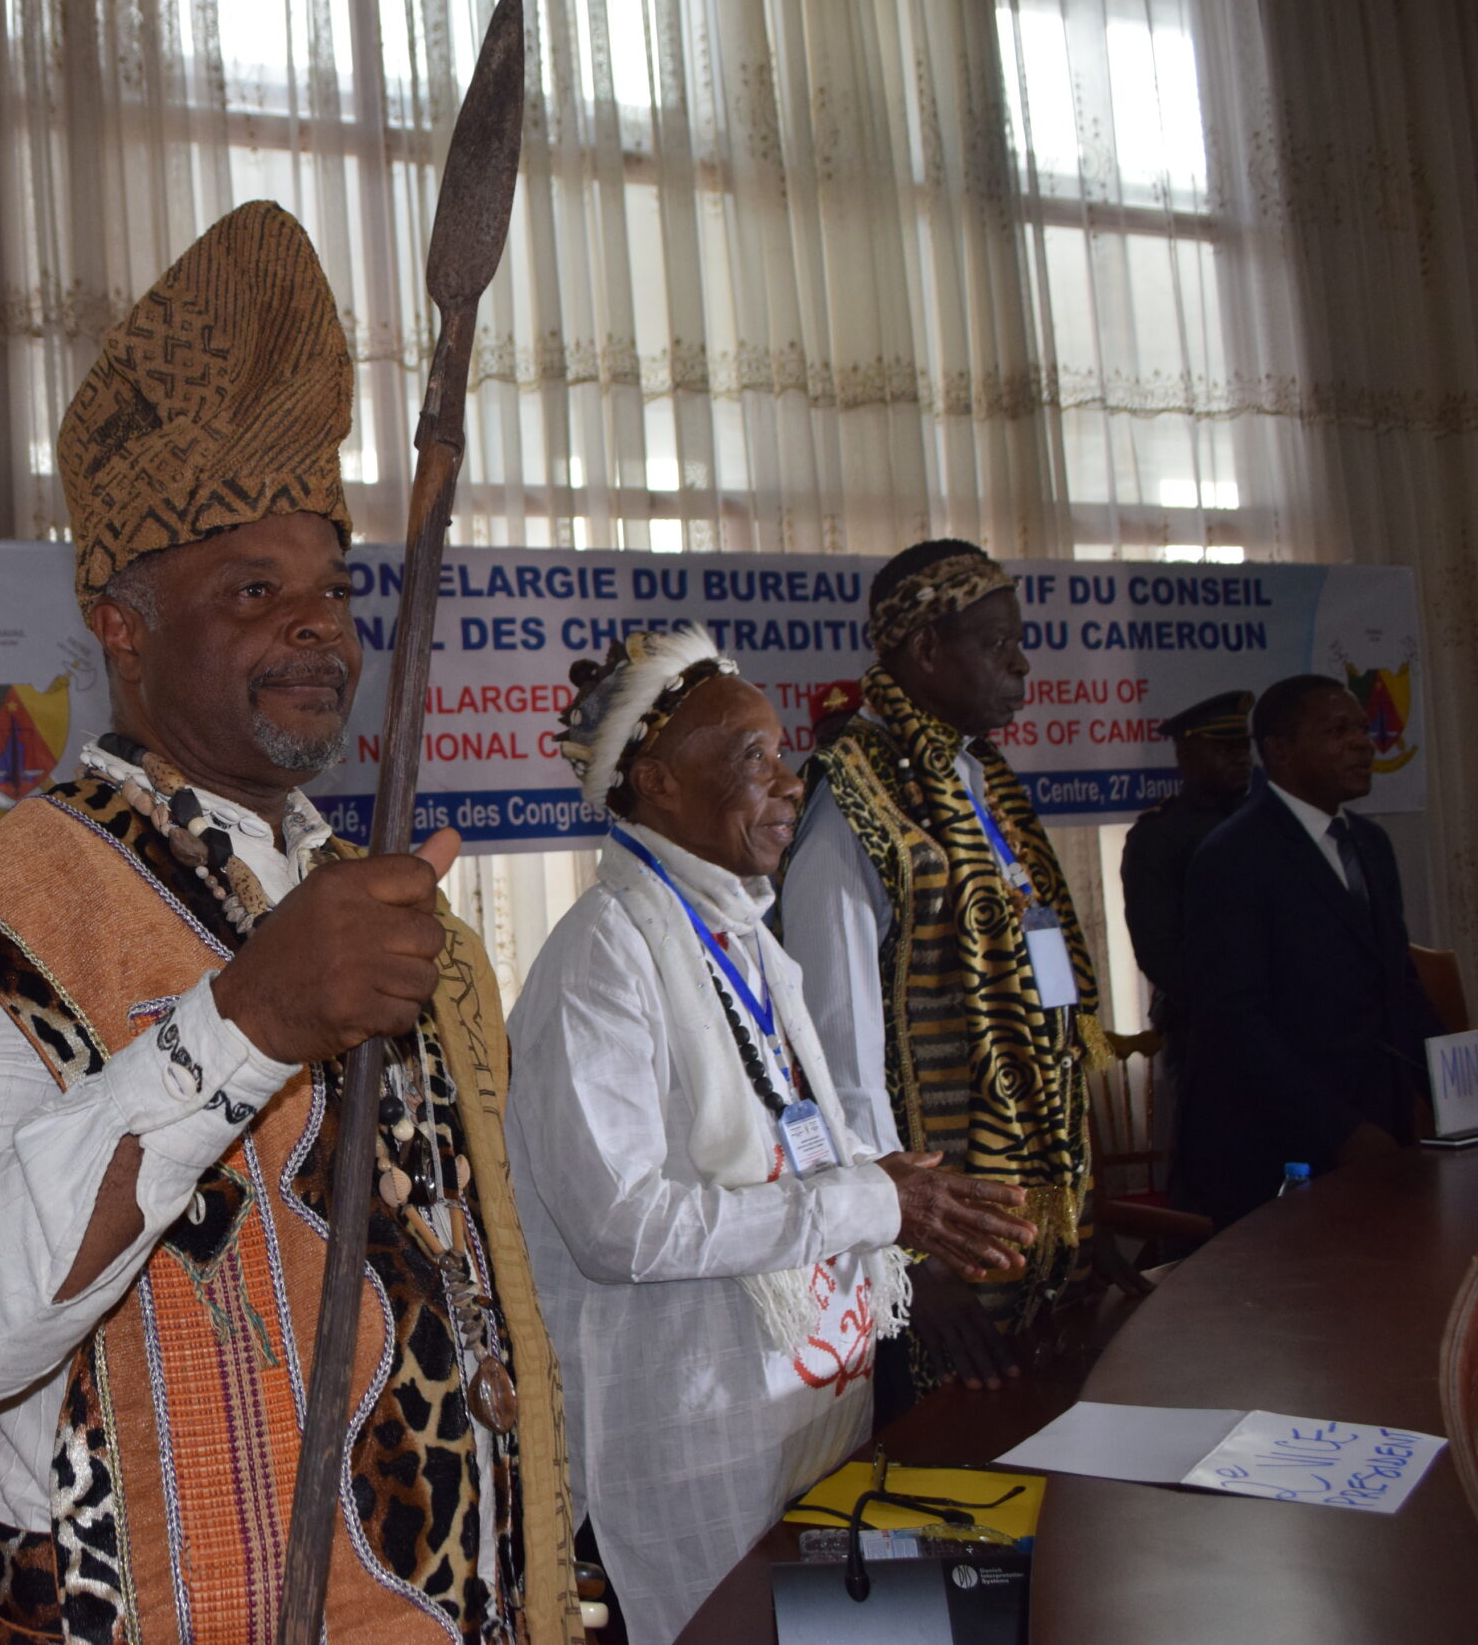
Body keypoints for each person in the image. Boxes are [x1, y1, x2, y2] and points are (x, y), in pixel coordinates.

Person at [0, 203, 580, 1645]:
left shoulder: (365, 897)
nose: (317, 627)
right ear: (117, 623)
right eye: (252, 590)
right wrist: (244, 1027)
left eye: (330, 589)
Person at [508, 627, 1037, 1645]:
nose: (789, 783)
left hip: (807, 1404)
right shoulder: (601, 957)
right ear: (656, 782)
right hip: (696, 1438)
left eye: (781, 753)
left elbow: (806, 1140)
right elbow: (619, 1229)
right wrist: (875, 1200)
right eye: (753, 759)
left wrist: (898, 1220)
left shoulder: (748, 931)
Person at [780, 540, 1112, 1401]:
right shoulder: (852, 801)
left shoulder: (979, 782)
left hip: (1032, 1228)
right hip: (941, 1260)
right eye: (998, 643)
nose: (1021, 662)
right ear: (926, 650)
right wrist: (908, 1255)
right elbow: (840, 1055)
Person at [1171, 674, 1441, 1227]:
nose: (1365, 744)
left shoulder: (1370, 844)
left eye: (1363, 729)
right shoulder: (1234, 856)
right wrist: (1339, 1131)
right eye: (1338, 730)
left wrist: (1456, 1090)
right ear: (1281, 751)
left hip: (1380, 1135)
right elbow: (1234, 1019)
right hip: (1275, 1151)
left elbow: (1400, 986)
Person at [1120, 690, 1255, 1030]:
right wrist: (1229, 1008)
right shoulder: (1158, 836)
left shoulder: (1264, 824)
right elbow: (1158, 952)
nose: (1241, 759)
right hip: (1207, 1025)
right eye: (1225, 749)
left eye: (1243, 747)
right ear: (1185, 755)